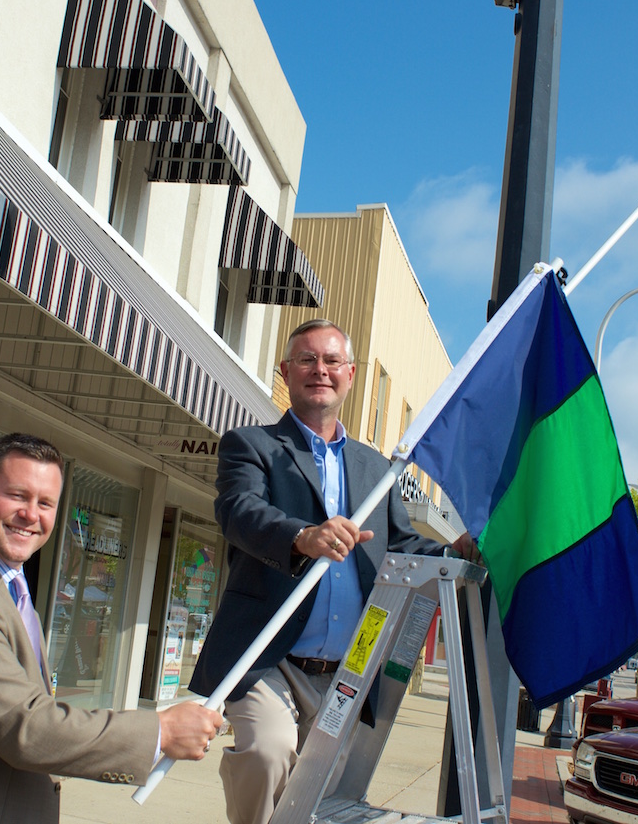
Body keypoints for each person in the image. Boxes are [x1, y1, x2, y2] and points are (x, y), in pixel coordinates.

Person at [189, 319, 474, 824]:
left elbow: (401, 543)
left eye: (331, 361)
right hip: (268, 656)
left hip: (347, 671)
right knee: (266, 751)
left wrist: (459, 551)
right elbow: (239, 511)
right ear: (286, 371)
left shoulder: (376, 467)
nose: (319, 370)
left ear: (350, 375)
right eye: (306, 359)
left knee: (318, 798)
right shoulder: (251, 445)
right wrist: (302, 537)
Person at [0, 433, 221, 824]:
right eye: (17, 495)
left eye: (45, 503)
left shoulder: (6, 581)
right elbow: (25, 726)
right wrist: (159, 732)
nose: (31, 515)